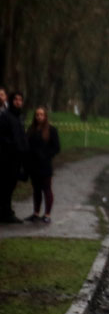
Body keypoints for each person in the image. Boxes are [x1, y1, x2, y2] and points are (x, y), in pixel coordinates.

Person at [25, 106, 60, 223]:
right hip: (33, 165)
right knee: (36, 190)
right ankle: (36, 213)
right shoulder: (31, 130)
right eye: (37, 115)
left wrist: (46, 155)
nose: (39, 117)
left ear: (45, 116)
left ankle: (47, 214)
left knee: (47, 189)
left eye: (41, 114)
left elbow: (56, 147)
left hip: (45, 165)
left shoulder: (51, 130)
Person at [0, 92, 29, 223]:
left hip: (18, 158)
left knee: (11, 186)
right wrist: (12, 145)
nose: (18, 102)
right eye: (15, 99)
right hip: (7, 158)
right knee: (5, 186)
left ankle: (7, 212)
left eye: (20, 100)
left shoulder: (20, 118)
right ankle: (5, 213)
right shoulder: (5, 116)